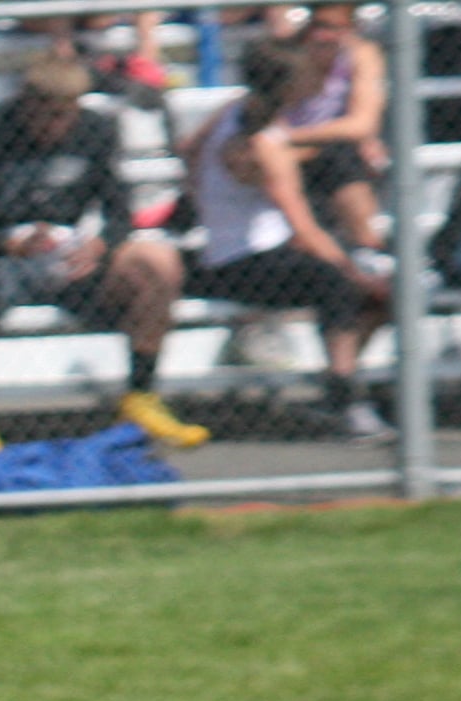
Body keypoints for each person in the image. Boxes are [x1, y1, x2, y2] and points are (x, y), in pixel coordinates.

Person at [0, 55, 207, 453]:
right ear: (26, 104)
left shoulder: (95, 130)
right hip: (2, 259)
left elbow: (119, 213)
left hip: (71, 259)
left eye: (65, 116)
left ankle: (141, 397)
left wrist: (100, 245)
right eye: (45, 117)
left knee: (156, 259)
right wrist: (9, 243)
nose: (55, 128)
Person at [180, 33, 395, 441]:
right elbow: (304, 229)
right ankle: (344, 401)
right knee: (339, 284)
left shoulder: (234, 112)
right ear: (290, 84)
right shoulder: (264, 142)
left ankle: (335, 384)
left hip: (233, 249)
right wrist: (351, 269)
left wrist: (209, 197)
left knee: (379, 293)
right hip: (241, 262)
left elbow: (190, 149)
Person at [279, 0, 390, 257]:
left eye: (331, 27)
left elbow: (362, 124)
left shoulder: (361, 55)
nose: (321, 35)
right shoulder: (292, 54)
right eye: (317, 25)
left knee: (343, 157)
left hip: (324, 147)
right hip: (288, 151)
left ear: (351, 28)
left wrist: (292, 137)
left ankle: (367, 246)